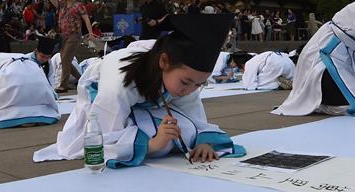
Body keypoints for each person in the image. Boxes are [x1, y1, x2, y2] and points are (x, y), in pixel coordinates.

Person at [34, 14, 245, 167]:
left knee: (178, 129)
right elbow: (106, 137)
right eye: (186, 82)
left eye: (199, 84)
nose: (189, 90)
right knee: (141, 134)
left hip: (152, 87)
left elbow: (193, 120)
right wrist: (152, 146)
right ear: (164, 62)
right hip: (100, 92)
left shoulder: (182, 79)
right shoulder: (119, 84)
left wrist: (203, 142)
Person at [49, 0, 97, 93]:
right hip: (62, 36)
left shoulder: (78, 5)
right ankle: (81, 80)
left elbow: (86, 19)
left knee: (65, 59)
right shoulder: (61, 4)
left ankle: (63, 85)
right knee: (66, 61)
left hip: (74, 35)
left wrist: (90, 33)